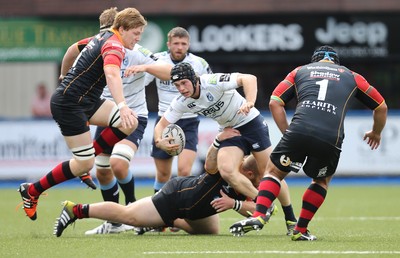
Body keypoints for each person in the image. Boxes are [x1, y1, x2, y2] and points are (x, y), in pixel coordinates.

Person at [229, 45, 388, 241]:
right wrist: (376, 132)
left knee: (274, 172)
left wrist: (288, 133)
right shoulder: (352, 76)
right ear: (336, 62)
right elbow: (381, 106)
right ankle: (301, 230)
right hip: (331, 137)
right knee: (320, 181)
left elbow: (274, 101)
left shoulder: (300, 71)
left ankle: (260, 214)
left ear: (315, 60)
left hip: (298, 130)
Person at [17, 8, 147, 221]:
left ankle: (89, 155)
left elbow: (71, 49)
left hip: (87, 101)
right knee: (85, 164)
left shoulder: (101, 36)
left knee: (130, 123)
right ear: (122, 29)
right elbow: (112, 74)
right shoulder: (114, 44)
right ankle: (32, 190)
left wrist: (63, 75)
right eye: (136, 33)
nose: (138, 38)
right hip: (69, 105)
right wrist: (122, 105)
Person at [59, 7, 172, 235]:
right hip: (106, 114)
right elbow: (72, 50)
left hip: (132, 116)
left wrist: (146, 67)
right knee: (102, 171)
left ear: (119, 29)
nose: (104, 37)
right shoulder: (99, 45)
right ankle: (115, 223)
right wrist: (64, 75)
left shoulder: (136, 49)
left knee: (118, 164)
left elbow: (170, 70)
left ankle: (133, 213)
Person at [53, 128, 274, 237]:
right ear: (250, 173)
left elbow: (259, 212)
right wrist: (217, 142)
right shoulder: (231, 169)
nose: (265, 176)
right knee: (128, 215)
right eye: (261, 172)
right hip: (178, 196)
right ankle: (76, 210)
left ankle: (165, 223)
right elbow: (209, 165)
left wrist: (235, 205)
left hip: (198, 210)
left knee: (211, 232)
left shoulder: (249, 184)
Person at [144, 27, 212, 193]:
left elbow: (210, 88)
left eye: (183, 43)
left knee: (184, 172)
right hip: (164, 121)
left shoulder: (199, 63)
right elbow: (141, 83)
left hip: (189, 120)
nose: (179, 47)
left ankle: (180, 210)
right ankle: (158, 210)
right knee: (162, 174)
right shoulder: (158, 61)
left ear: (188, 45)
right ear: (168, 44)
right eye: (176, 43)